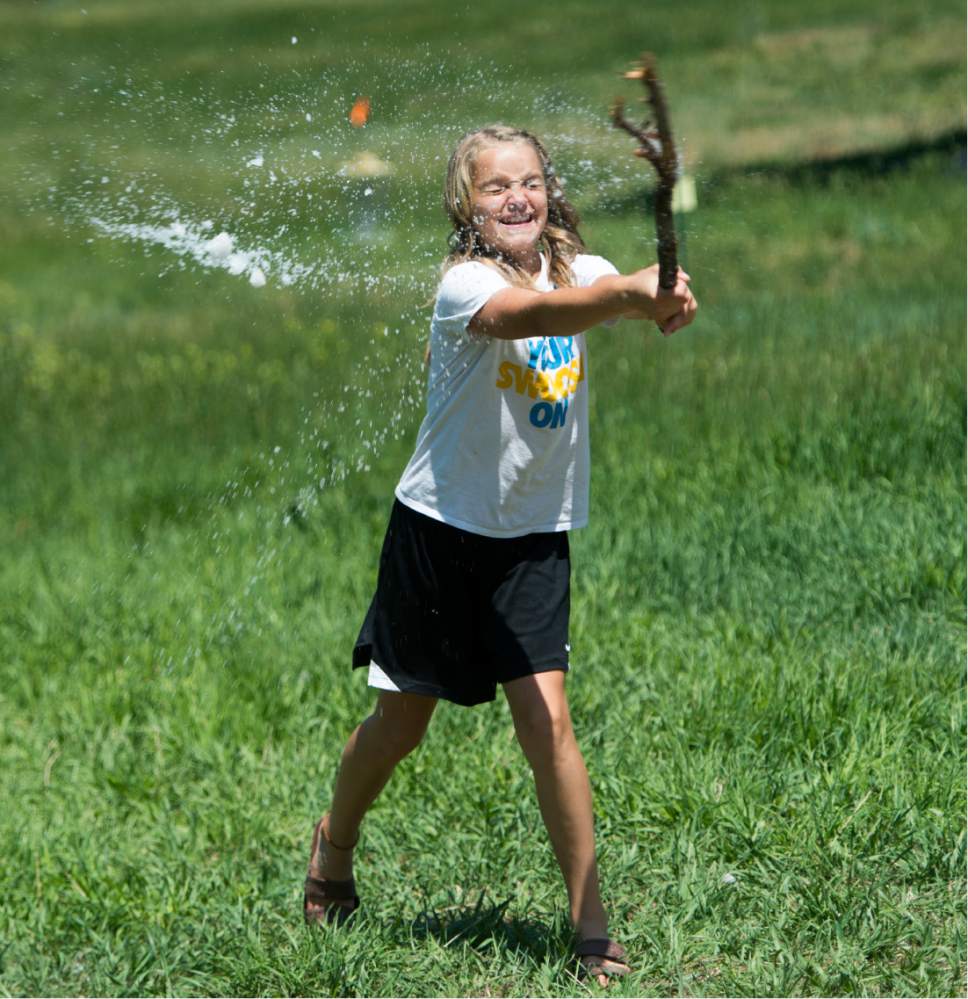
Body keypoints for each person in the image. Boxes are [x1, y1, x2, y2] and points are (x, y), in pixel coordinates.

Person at [303, 124, 697, 985]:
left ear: (549, 191)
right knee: (400, 725)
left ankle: (590, 925)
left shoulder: (580, 269)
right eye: (495, 188)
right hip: (440, 531)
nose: (516, 198)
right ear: (466, 205)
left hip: (531, 538)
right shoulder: (464, 285)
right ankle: (332, 849)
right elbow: (539, 316)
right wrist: (631, 297)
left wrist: (660, 294)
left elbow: (598, 290)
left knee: (547, 721)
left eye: (529, 182)